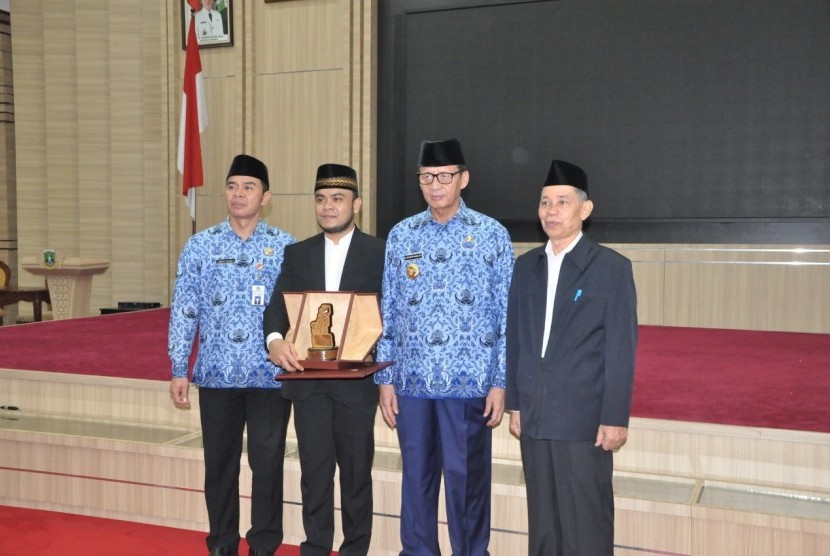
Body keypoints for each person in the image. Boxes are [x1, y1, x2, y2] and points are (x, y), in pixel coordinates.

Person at [374, 139, 514, 555]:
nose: (436, 185)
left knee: (466, 479)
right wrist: (385, 378)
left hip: (469, 382)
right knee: (416, 478)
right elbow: (390, 310)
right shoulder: (401, 236)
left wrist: (500, 380)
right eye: (427, 177)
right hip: (412, 383)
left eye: (445, 176)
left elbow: (507, 315)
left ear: (463, 179)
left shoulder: (491, 235)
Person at [505, 160, 638, 556]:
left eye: (562, 202)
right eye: (545, 202)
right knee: (543, 523)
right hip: (535, 414)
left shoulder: (610, 268)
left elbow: (621, 348)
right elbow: (516, 340)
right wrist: (515, 403)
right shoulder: (526, 267)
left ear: (585, 209)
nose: (551, 211)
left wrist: (615, 416)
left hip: (583, 418)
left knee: (586, 524)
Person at [168, 154, 296, 556]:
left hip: (269, 379)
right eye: (232, 186)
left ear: (266, 196)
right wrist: (178, 367)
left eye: (249, 187)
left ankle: (264, 544)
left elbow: (298, 310)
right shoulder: (201, 245)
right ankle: (222, 543)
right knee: (219, 467)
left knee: (267, 466)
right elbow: (184, 308)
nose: (239, 194)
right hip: (217, 376)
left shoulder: (286, 247)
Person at [263, 163, 385, 556]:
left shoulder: (381, 253)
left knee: (355, 476)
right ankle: (315, 547)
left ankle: (354, 550)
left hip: (357, 385)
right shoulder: (297, 254)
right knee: (314, 476)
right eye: (320, 199)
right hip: (309, 385)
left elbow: (395, 316)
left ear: (357, 204)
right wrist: (275, 341)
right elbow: (275, 311)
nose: (328, 207)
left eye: (337, 198)